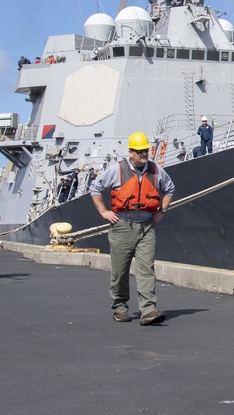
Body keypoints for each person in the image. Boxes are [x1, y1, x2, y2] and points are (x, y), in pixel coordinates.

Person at [89, 132, 174, 326]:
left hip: (147, 227)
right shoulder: (117, 170)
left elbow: (169, 189)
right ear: (131, 153)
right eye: (140, 151)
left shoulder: (155, 170)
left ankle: (148, 310)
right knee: (120, 271)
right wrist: (104, 212)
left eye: (145, 150)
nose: (144, 154)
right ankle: (119, 307)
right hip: (123, 226)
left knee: (146, 269)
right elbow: (95, 188)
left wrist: (162, 211)